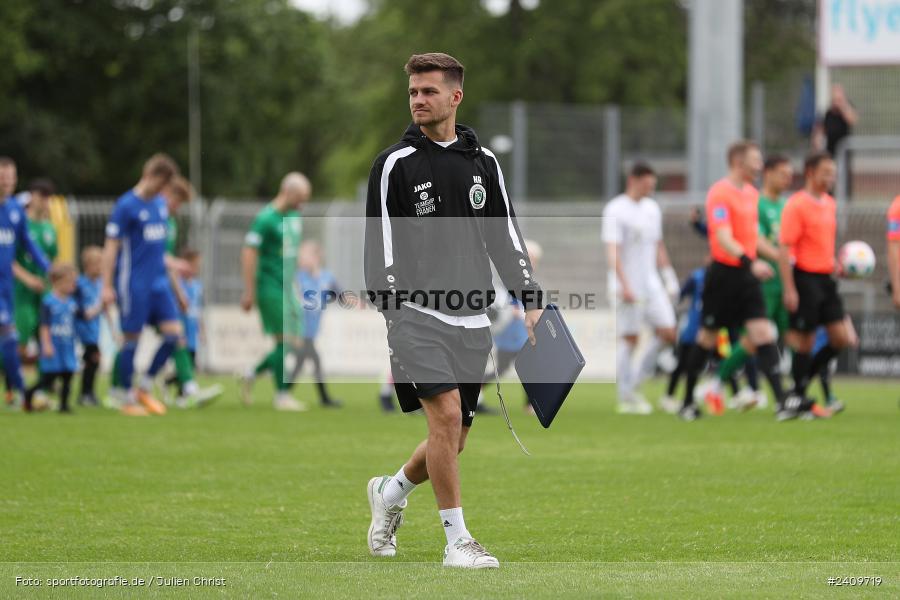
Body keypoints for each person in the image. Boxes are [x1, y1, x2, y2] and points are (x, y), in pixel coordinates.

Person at [363, 52, 543, 569]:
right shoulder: (393, 164)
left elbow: (505, 238)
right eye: (413, 92)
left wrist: (530, 297)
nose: (418, 100)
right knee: (442, 419)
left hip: (472, 319)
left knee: (454, 439)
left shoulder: (484, 163)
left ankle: (389, 493)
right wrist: (393, 311)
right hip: (415, 316)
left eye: (429, 91)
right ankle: (457, 542)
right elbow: (380, 245)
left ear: (455, 96)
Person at [677, 141, 789, 421]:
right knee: (707, 337)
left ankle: (782, 402)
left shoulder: (751, 194)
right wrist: (752, 263)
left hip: (747, 277)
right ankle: (687, 402)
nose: (760, 165)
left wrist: (780, 257)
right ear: (739, 162)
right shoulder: (719, 193)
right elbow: (724, 238)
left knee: (763, 333)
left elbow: (753, 238)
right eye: (755, 160)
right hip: (723, 276)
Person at [701, 155, 795, 413]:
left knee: (789, 337)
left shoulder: (786, 205)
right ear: (769, 174)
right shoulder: (755, 201)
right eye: (783, 174)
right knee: (754, 339)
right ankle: (716, 384)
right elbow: (755, 240)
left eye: (790, 175)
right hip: (759, 279)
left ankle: (792, 392)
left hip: (783, 280)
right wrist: (778, 258)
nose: (788, 179)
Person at [101, 153, 189, 416]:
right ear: (149, 175)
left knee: (174, 335)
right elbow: (111, 247)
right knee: (132, 340)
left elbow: (157, 250)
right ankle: (127, 397)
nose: (163, 190)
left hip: (159, 284)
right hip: (133, 284)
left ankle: (145, 386)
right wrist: (106, 285)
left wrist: (174, 265)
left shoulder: (160, 205)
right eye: (161, 183)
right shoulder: (126, 206)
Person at [778, 152, 855, 420]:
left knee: (841, 338)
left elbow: (822, 244)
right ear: (810, 172)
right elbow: (785, 248)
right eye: (826, 172)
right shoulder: (797, 205)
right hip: (805, 277)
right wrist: (789, 288)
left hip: (826, 279)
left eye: (833, 173)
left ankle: (796, 392)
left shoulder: (829, 203)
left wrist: (835, 264)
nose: (831, 178)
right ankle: (797, 399)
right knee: (806, 341)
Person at [602, 162, 679, 414]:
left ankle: (635, 381)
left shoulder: (652, 208)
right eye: (647, 184)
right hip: (626, 285)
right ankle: (626, 395)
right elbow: (613, 251)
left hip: (651, 283)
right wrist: (624, 285)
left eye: (652, 185)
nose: (650, 189)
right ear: (633, 181)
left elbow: (657, 244)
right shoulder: (615, 209)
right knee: (631, 339)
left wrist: (668, 275)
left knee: (668, 332)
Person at [239, 172, 308, 411]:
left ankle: (251, 372)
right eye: (300, 198)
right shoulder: (266, 219)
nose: (302, 204)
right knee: (284, 339)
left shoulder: (294, 217)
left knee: (296, 343)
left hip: (288, 288)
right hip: (269, 286)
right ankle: (282, 396)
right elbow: (249, 253)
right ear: (287, 192)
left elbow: (292, 254)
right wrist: (249, 291)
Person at [0, 157, 51, 409]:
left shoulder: (14, 210)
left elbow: (28, 244)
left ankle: (18, 393)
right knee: (9, 338)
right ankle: (20, 392)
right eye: (3, 177)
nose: (7, 182)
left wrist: (50, 269)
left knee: (9, 338)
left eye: (11, 177)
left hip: (5, 287)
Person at [479, 239, 543, 414]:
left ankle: (530, 405)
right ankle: (475, 388)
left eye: (535, 260)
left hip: (523, 335)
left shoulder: (530, 283)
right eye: (530, 258)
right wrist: (514, 311)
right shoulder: (512, 281)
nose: (532, 263)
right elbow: (502, 303)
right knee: (501, 369)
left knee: (530, 369)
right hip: (510, 336)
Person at [291, 240, 348, 408]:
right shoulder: (297, 277)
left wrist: (357, 302)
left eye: (305, 256)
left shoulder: (327, 277)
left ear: (316, 257)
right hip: (298, 330)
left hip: (311, 331)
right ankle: (324, 399)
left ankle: (282, 391)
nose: (301, 259)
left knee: (299, 362)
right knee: (314, 360)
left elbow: (340, 295)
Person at [14, 179, 59, 364]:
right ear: (32, 196)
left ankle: (43, 380)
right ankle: (11, 377)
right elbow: (9, 260)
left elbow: (52, 261)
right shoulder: (19, 224)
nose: (45, 202)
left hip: (44, 290)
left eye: (48, 198)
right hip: (21, 291)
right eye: (42, 197)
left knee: (46, 337)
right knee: (19, 339)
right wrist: (29, 279)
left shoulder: (50, 229)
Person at [26, 263, 78, 413]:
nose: (72, 286)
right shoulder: (48, 302)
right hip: (53, 345)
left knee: (68, 374)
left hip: (67, 345)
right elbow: (44, 326)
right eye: (69, 282)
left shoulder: (72, 302)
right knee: (49, 377)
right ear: (56, 282)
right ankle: (29, 394)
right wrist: (46, 344)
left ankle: (64, 405)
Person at [73, 246, 105, 406]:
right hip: (82, 329)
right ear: (87, 265)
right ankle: (85, 393)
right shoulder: (79, 283)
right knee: (92, 358)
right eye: (97, 264)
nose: (100, 268)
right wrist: (89, 312)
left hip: (94, 328)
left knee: (93, 360)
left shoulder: (101, 283)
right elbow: (75, 306)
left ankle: (88, 392)